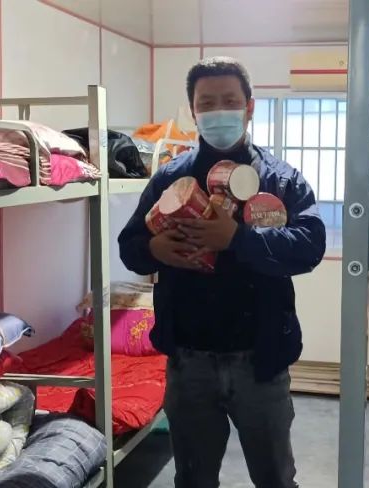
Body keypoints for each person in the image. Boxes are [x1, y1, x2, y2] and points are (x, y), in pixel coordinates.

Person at [118, 57, 326, 488]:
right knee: (193, 479)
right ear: (193, 111)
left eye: (229, 101)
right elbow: (129, 247)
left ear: (249, 107)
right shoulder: (170, 179)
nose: (219, 112)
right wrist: (154, 249)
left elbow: (310, 246)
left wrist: (236, 238)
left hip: (262, 359)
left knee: (275, 478)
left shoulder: (280, 180)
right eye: (207, 103)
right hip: (189, 361)